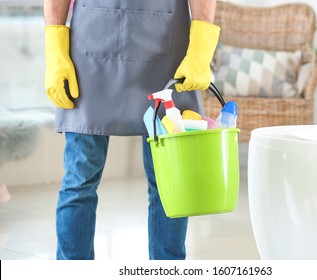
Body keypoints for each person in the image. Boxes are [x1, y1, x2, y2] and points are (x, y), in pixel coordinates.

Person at [43, 0, 220, 260]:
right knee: (79, 179)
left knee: (169, 180)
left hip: (167, 46)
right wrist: (55, 48)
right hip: (90, 51)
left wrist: (201, 47)